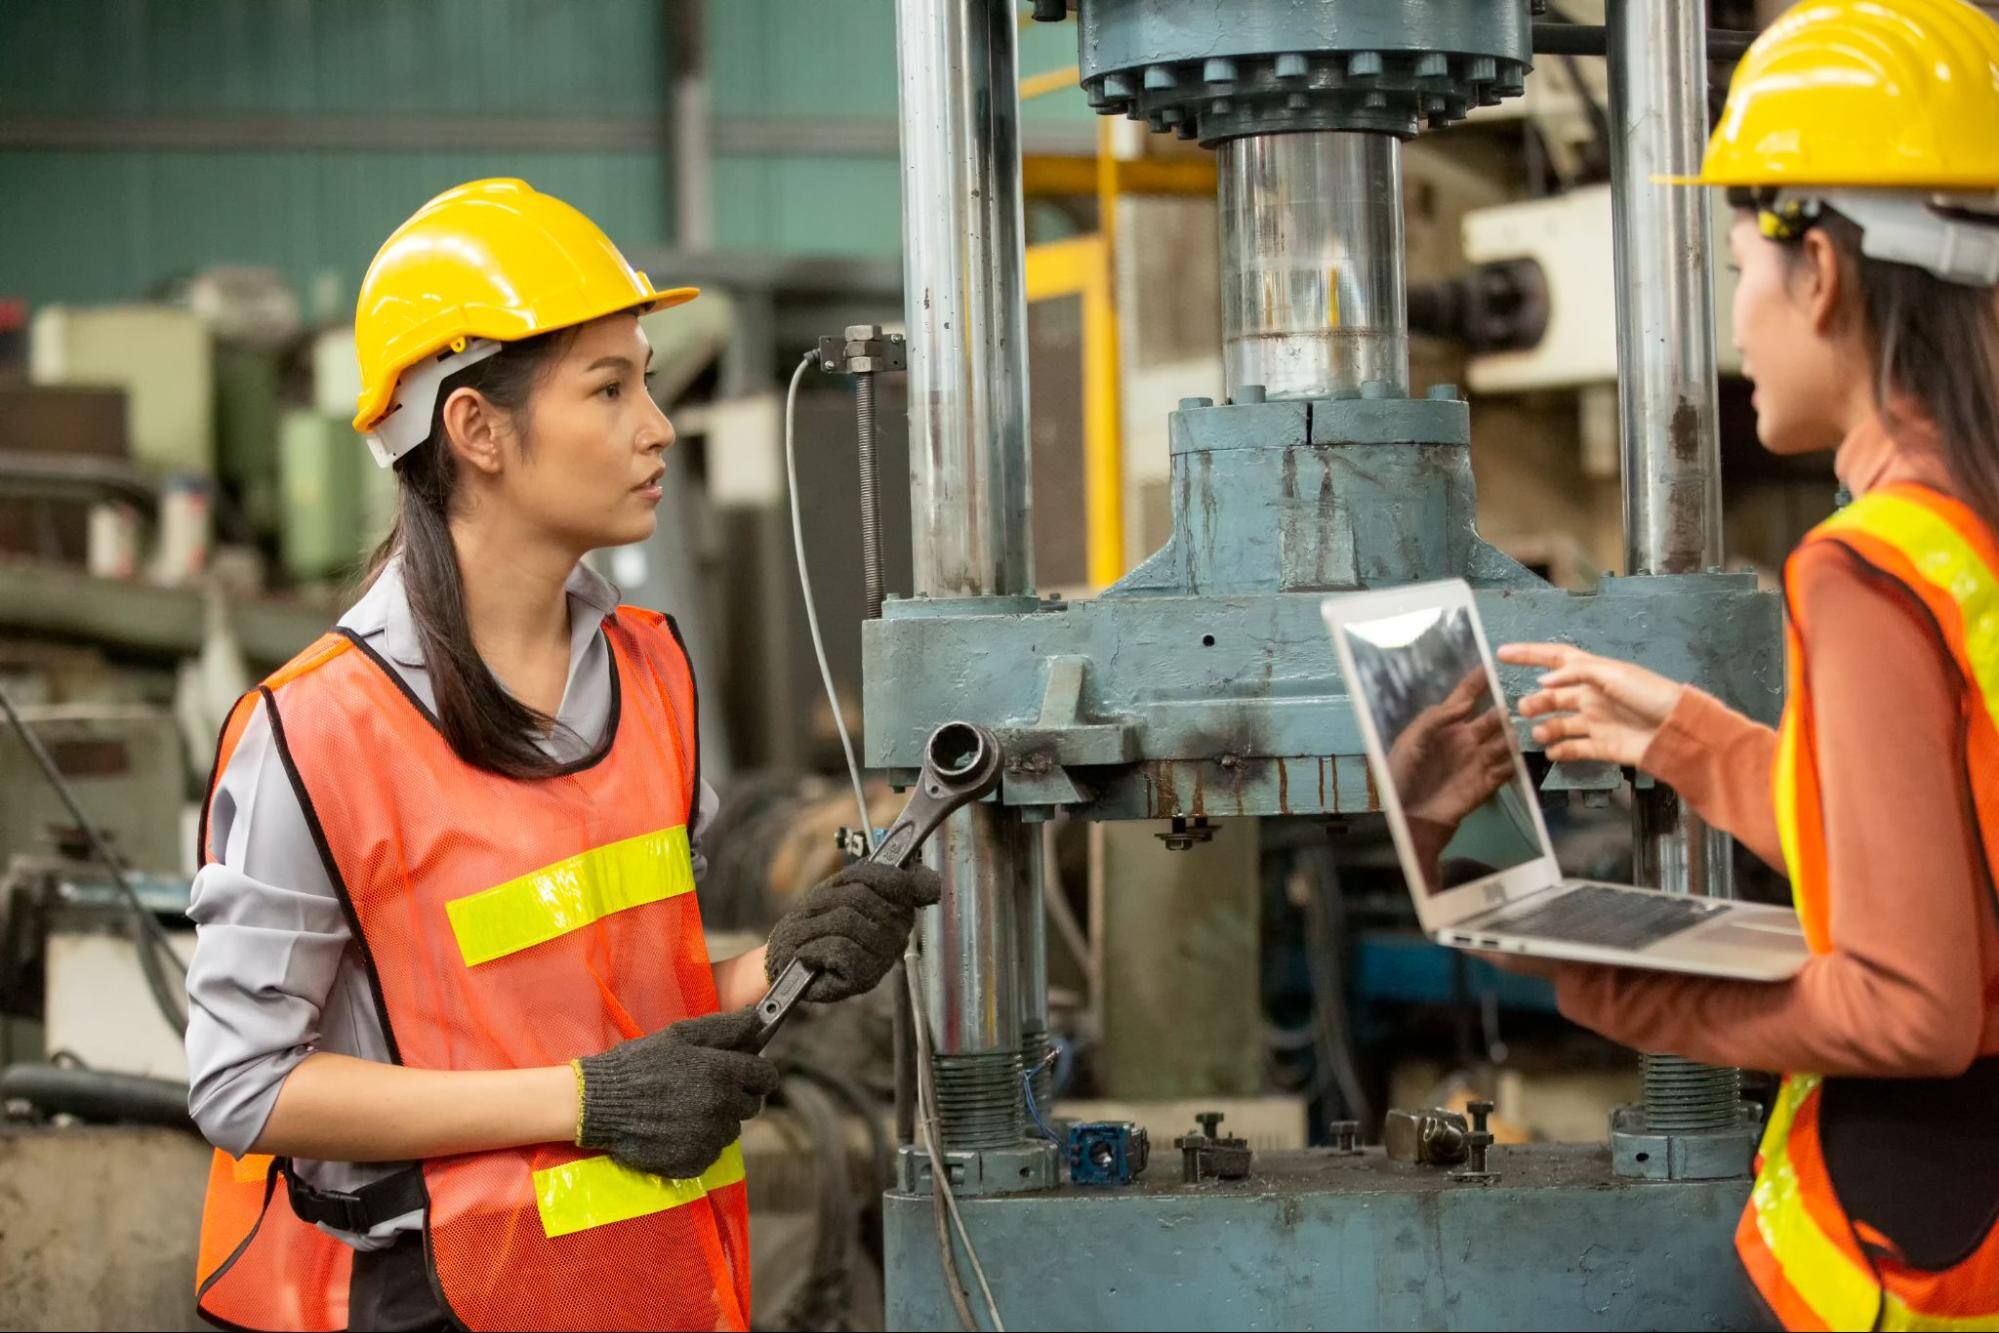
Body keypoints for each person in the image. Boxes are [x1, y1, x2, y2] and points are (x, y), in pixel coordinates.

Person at [182, 178, 938, 1332]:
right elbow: (246, 1084)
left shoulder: (650, 668)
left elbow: (628, 998)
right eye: (610, 387)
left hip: (662, 1284)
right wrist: (584, 1101)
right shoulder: (320, 727)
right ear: (476, 429)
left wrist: (782, 963)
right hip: (447, 1300)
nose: (656, 424)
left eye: (645, 380)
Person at [1493, 2, 1999, 1326]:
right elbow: (1953, 849)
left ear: (1818, 272)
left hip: (1928, 1255)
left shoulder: (1864, 566)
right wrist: (1691, 740)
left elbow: (1909, 1009)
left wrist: (1615, 978)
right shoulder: (1968, 536)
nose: (1733, 319)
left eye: (1734, 270)